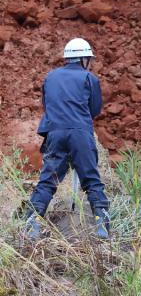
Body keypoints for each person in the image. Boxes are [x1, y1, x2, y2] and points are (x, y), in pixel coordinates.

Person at [24, 38, 109, 240]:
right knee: (91, 181)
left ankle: (31, 227)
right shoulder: (90, 78)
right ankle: (102, 228)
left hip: (54, 132)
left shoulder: (50, 77)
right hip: (80, 132)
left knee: (47, 182)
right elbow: (94, 110)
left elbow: (47, 106)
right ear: (83, 59)